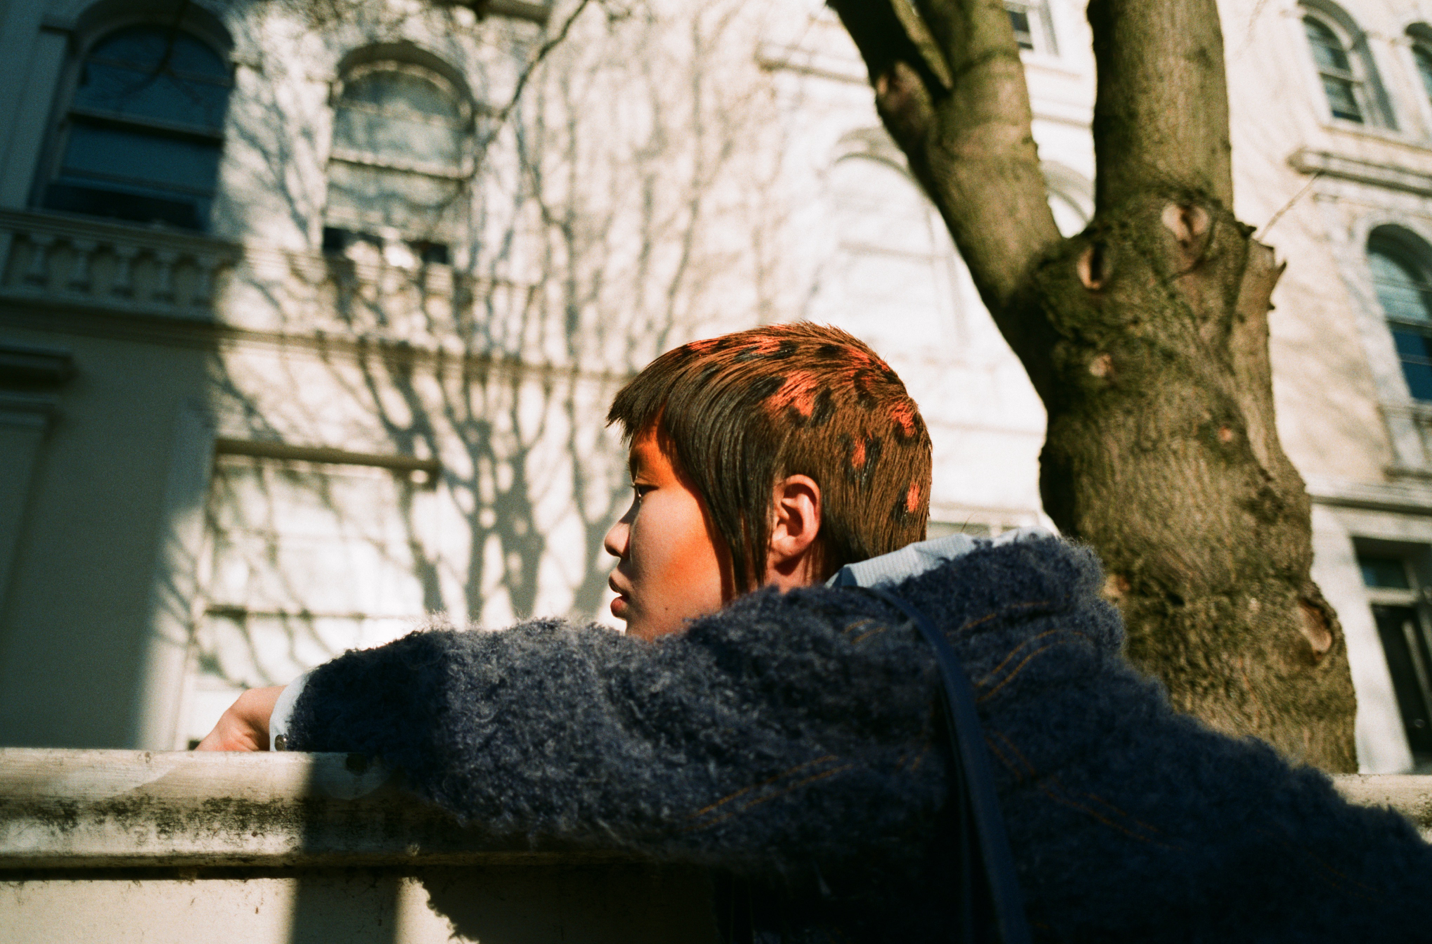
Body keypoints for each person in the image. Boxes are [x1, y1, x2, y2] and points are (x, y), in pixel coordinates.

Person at [198, 323, 1432, 942]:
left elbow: (527, 708)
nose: (616, 537)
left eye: (643, 491)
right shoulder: (969, 661)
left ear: (786, 519)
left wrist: (279, 704)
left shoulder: (867, 679)